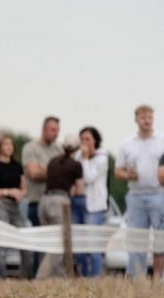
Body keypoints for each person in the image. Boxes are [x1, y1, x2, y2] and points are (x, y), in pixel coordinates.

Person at [115, 105, 164, 279]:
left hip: (159, 193)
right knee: (136, 239)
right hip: (135, 195)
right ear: (136, 119)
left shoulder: (162, 140)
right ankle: (136, 278)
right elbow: (117, 171)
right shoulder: (127, 144)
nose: (147, 120)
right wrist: (127, 175)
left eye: (150, 117)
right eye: (143, 117)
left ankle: (159, 278)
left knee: (161, 237)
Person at [0, 133, 32, 279]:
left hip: (14, 206)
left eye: (11, 144)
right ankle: (0, 278)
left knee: (25, 239)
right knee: (2, 241)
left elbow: (24, 188)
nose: (9, 147)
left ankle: (26, 277)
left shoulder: (17, 166)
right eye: (6, 144)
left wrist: (20, 194)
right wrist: (7, 191)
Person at [35, 134, 84, 279]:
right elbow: (79, 191)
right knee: (58, 244)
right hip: (59, 202)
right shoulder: (76, 165)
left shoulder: (53, 161)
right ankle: (42, 278)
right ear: (77, 149)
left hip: (44, 202)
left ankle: (57, 278)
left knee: (49, 243)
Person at [22, 116, 63, 274]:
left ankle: (52, 277)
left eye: (57, 130)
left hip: (56, 203)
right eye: (52, 130)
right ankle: (37, 277)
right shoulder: (30, 148)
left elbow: (66, 172)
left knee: (56, 242)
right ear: (43, 129)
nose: (55, 133)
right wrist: (55, 172)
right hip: (36, 201)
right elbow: (33, 174)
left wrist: (44, 169)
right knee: (40, 243)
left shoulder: (59, 150)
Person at [73, 126, 108, 277]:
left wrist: (86, 158)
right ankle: (83, 277)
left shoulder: (102, 158)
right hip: (77, 203)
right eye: (82, 139)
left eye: (87, 139)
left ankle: (95, 277)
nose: (84, 142)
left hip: (94, 206)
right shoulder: (77, 156)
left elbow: (88, 177)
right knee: (79, 246)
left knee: (93, 245)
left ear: (95, 141)